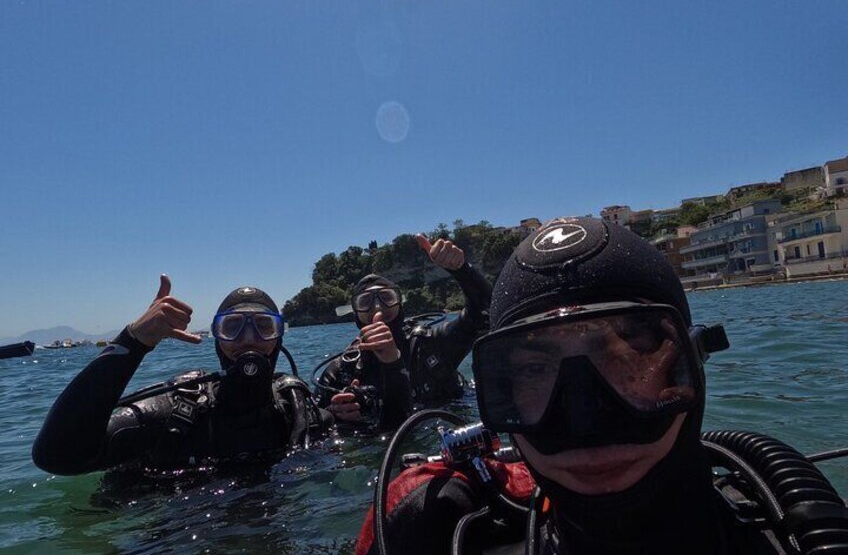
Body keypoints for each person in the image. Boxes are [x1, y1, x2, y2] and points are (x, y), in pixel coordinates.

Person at [356, 216, 847, 555]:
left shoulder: (798, 528)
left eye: (631, 353)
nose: (584, 419)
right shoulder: (450, 532)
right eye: (532, 370)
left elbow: (478, 314)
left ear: (691, 364)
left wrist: (462, 269)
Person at [32, 276, 332, 476]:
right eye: (233, 327)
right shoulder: (175, 411)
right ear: (217, 338)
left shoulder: (297, 409)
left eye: (264, 327)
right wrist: (134, 341)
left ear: (278, 338)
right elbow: (57, 456)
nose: (248, 339)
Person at [317, 234, 492, 430]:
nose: (378, 309)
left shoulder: (429, 345)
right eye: (365, 302)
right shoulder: (341, 372)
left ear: (400, 306)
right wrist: (337, 416)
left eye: (386, 298)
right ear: (356, 315)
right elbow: (318, 427)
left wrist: (461, 269)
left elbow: (482, 314)